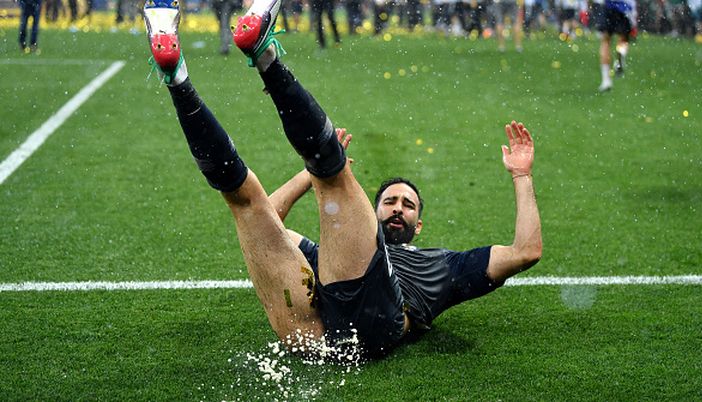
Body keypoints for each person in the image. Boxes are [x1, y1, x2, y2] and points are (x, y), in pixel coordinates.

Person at [142, 0, 542, 358]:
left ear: (419, 225)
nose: (397, 208)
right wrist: (306, 175)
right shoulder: (329, 254)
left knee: (328, 177)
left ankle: (263, 55)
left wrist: (522, 175)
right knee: (245, 203)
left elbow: (526, 251)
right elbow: (272, 223)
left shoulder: (445, 266)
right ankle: (177, 77)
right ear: (372, 211)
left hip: (373, 324)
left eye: (407, 205)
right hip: (314, 335)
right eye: (389, 201)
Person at [597, 0, 637, 92]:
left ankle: (606, 80)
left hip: (610, 7)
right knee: (622, 39)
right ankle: (619, 60)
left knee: (606, 41)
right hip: (623, 8)